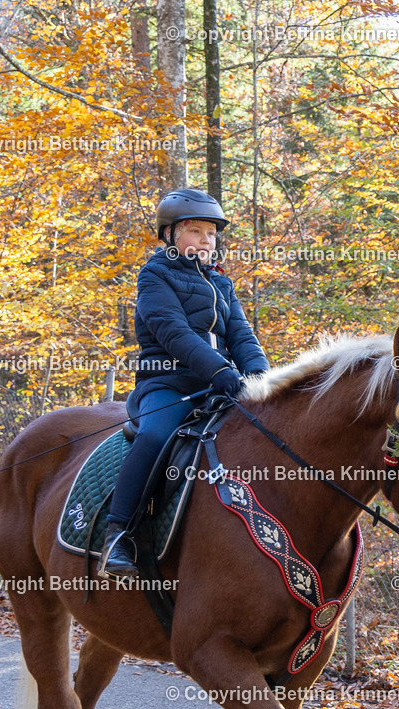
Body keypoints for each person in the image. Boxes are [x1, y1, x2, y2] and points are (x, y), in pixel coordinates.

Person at [99, 187, 270, 579]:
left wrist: (262, 379)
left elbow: (242, 336)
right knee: (156, 435)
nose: (207, 241)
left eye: (211, 233)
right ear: (170, 235)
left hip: (221, 388)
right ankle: (117, 534)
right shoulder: (154, 275)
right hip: (168, 385)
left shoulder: (222, 284)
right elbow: (173, 331)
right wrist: (219, 371)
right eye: (196, 231)